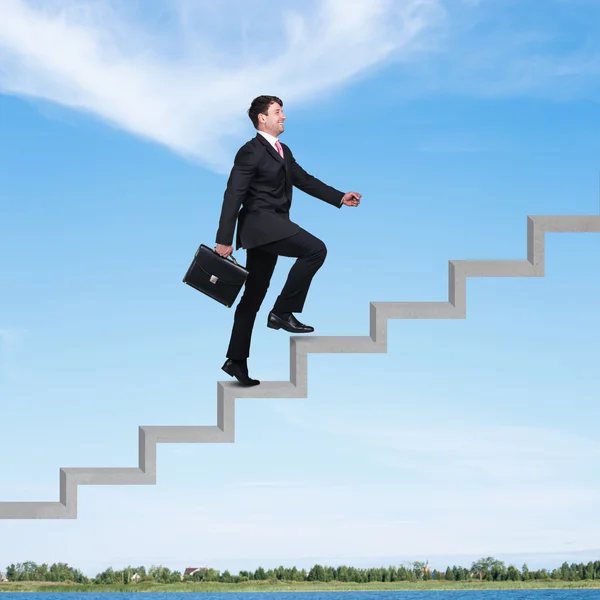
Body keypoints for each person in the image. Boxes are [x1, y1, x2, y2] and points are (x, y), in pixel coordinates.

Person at [214, 95, 361, 386]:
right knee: (315, 249)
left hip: (272, 227)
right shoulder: (250, 151)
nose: (283, 117)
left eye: (282, 112)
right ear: (262, 119)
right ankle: (282, 311)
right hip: (262, 225)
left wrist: (339, 197)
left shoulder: (283, 151)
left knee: (252, 297)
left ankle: (236, 361)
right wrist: (224, 239)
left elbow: (303, 180)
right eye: (278, 112)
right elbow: (233, 193)